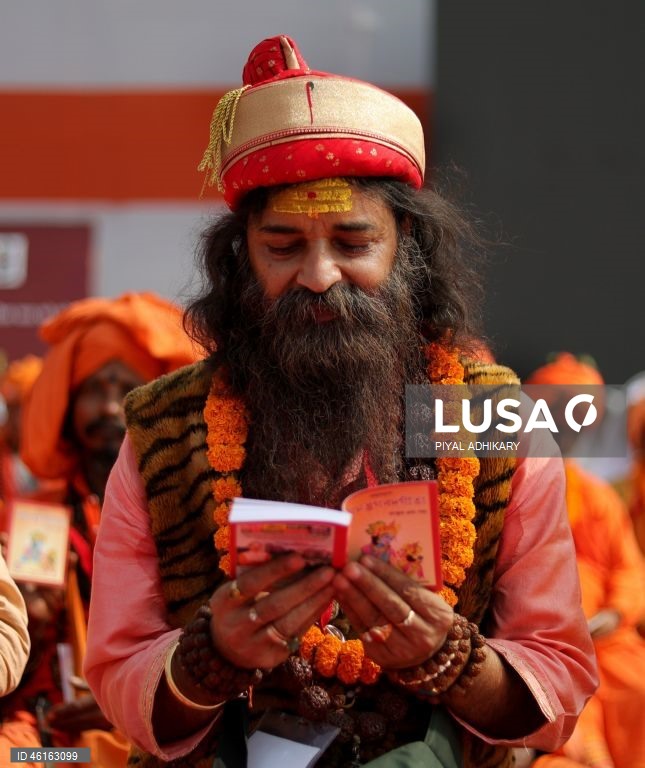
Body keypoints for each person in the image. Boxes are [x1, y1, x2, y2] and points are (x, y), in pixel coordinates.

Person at [85, 36, 597, 768]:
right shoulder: (166, 430)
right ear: (240, 259)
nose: (319, 276)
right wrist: (210, 656)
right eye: (283, 246)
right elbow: (117, 668)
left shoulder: (485, 423)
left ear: (406, 247)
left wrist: (450, 659)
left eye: (353, 242)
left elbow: (560, 672)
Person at [0, 292, 200, 768]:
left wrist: (128, 697)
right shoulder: (40, 516)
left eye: (126, 388)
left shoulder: (189, 514)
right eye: (95, 388)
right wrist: (32, 617)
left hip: (159, 729)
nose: (111, 408)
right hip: (56, 743)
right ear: (69, 403)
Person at [526, 354, 645, 768]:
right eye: (555, 412)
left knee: (639, 684)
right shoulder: (509, 486)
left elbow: (630, 570)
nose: (565, 427)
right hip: (546, 641)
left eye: (576, 416)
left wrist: (613, 614)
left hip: (609, 639)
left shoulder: (601, 497)